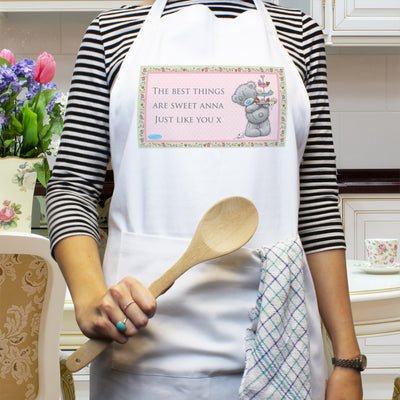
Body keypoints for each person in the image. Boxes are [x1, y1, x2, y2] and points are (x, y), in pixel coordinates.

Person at [45, 0, 364, 399]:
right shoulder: (111, 33)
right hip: (142, 341)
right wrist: (90, 298)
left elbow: (317, 206)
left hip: (281, 342)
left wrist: (347, 359)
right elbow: (72, 187)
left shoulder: (298, 33)